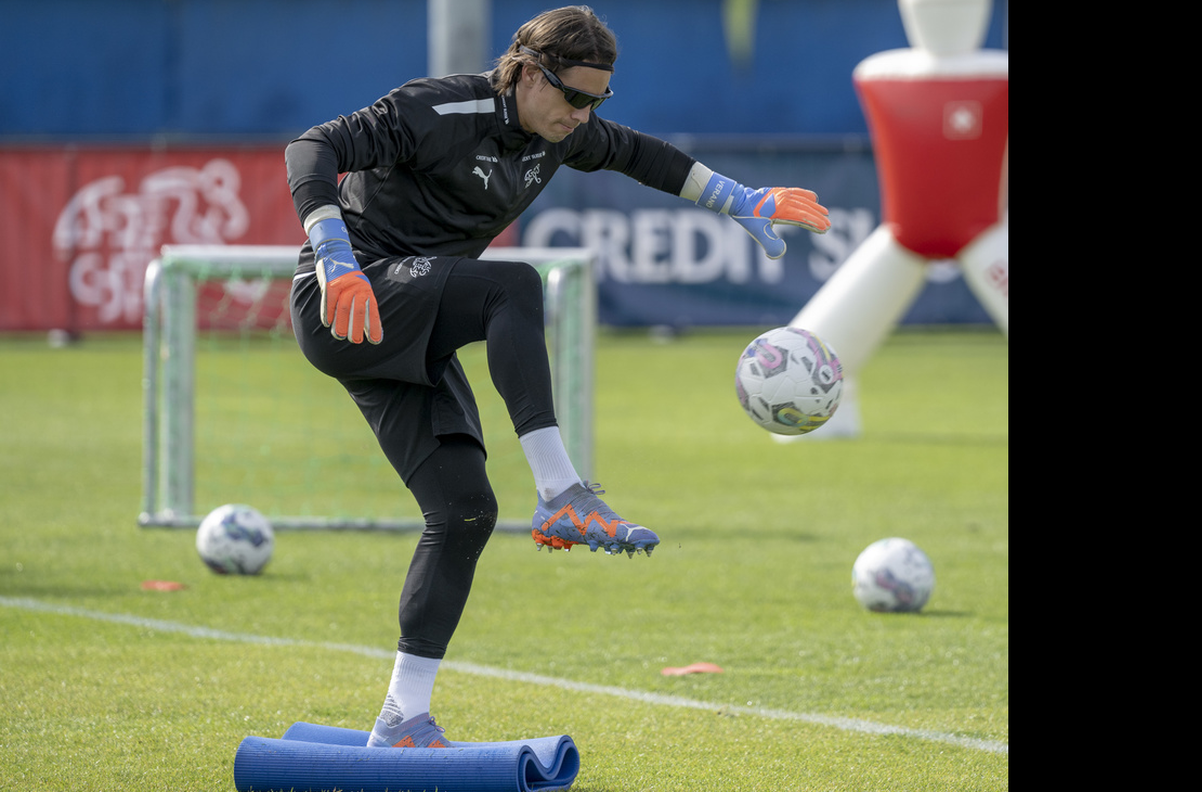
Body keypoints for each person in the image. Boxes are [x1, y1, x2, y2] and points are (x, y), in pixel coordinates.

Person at [284, 4, 831, 749]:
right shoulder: (441, 107)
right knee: (512, 287)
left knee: (466, 513)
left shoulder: (560, 132)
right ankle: (561, 493)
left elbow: (646, 157)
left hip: (406, 323)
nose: (583, 115)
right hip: (343, 298)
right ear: (523, 71)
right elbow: (312, 147)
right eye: (573, 97)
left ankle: (401, 718)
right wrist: (334, 256)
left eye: (596, 101)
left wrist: (741, 199)